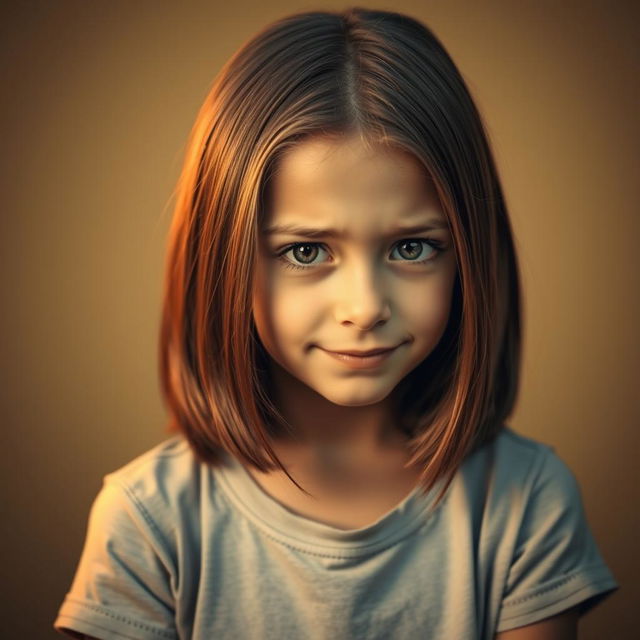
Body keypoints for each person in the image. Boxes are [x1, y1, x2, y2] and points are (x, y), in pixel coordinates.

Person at [53, 7, 618, 639]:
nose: (365, 305)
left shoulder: (524, 500)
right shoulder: (149, 520)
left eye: (412, 248)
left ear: (470, 254)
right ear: (225, 261)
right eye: (305, 251)